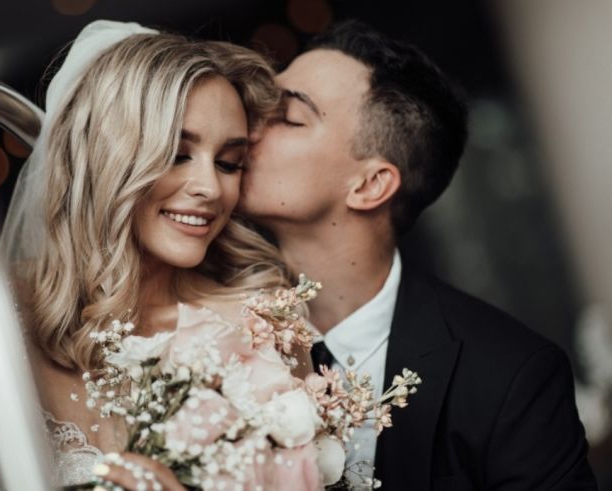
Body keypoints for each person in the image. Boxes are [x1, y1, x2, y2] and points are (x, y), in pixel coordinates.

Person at [0, 21, 309, 490]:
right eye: (177, 154)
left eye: (229, 163)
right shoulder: (14, 302)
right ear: (109, 156)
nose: (211, 188)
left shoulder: (258, 323)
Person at [240, 20, 598, 490]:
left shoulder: (508, 379)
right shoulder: (201, 328)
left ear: (370, 185)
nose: (249, 126)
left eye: (288, 117)